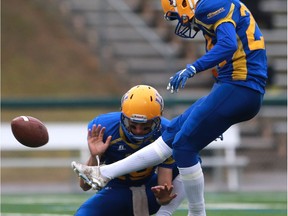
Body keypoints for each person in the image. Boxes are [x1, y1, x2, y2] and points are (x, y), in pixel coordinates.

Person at [72, 0, 268, 215]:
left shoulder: (207, 6)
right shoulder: (215, 7)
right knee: (173, 134)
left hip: (240, 86)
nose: (182, 22)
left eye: (178, 15)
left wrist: (193, 67)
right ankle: (103, 173)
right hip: (234, 87)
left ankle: (196, 213)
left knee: (184, 146)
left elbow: (229, 45)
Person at [72, 85, 185, 216]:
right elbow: (84, 186)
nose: (138, 131)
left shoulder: (166, 132)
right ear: (123, 117)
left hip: (150, 189)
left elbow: (163, 187)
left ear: (157, 121)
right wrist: (95, 156)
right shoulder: (106, 129)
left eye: (145, 126)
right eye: (133, 125)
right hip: (117, 190)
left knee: (188, 158)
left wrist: (163, 199)